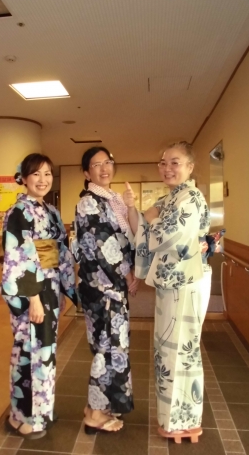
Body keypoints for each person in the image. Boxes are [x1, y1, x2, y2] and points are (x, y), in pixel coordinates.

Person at [124, 141, 210, 443]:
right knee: (169, 350)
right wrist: (134, 209)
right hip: (171, 283)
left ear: (190, 167)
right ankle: (173, 418)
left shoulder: (191, 197)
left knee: (182, 351)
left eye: (175, 162)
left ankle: (183, 420)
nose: (167, 168)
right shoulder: (170, 197)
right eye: (163, 162)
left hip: (185, 281)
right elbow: (144, 227)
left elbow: (170, 235)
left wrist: (151, 219)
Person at [0, 153, 77, 440]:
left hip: (50, 286)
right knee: (30, 352)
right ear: (24, 178)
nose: (43, 180)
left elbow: (61, 250)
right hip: (32, 291)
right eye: (36, 174)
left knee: (43, 353)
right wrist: (33, 298)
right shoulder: (18, 212)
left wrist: (65, 287)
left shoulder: (51, 211)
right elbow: (17, 256)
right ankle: (27, 417)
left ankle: (36, 413)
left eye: (47, 174)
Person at [73, 146, 140, 434]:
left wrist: (131, 206)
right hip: (103, 286)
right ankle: (95, 414)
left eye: (107, 162)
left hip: (111, 284)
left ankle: (100, 406)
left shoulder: (112, 199)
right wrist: (127, 273)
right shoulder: (89, 202)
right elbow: (101, 245)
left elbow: (130, 236)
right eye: (96, 164)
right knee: (107, 347)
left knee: (111, 345)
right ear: (87, 173)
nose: (104, 168)